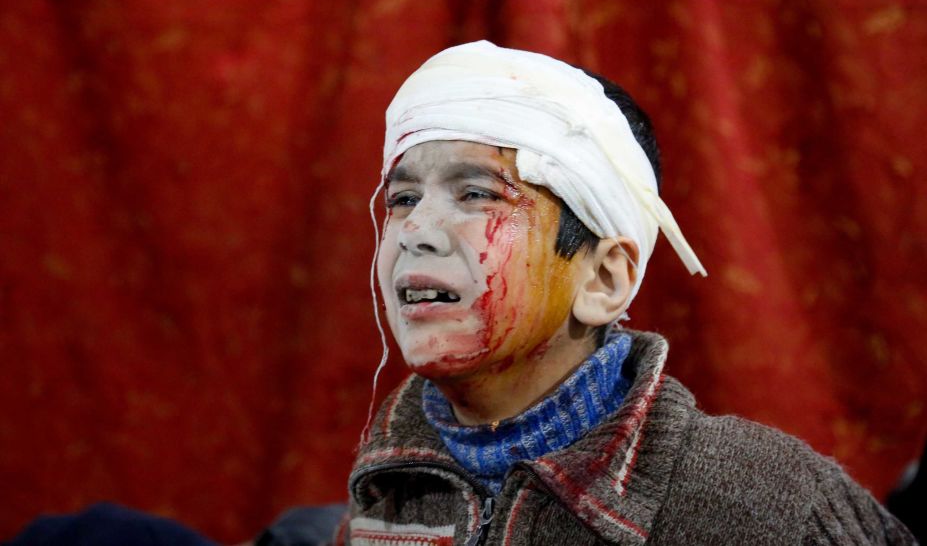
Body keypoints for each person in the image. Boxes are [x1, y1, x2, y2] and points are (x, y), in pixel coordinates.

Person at [339, 41, 916, 545]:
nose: (416, 232)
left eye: (477, 194)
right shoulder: (386, 489)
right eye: (404, 199)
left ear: (602, 279)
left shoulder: (767, 507)